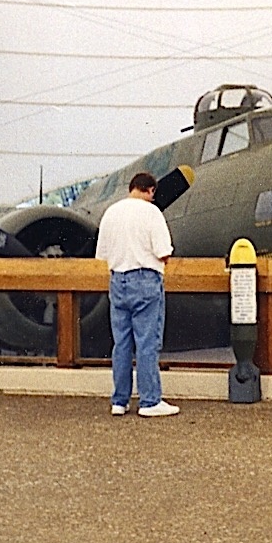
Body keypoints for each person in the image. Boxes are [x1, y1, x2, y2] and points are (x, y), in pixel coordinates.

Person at [96, 172, 179, 416]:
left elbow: (102, 254)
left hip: (117, 280)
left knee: (121, 343)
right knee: (147, 342)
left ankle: (119, 401)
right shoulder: (152, 212)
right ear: (150, 191)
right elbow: (164, 252)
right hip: (145, 279)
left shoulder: (111, 212)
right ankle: (150, 401)